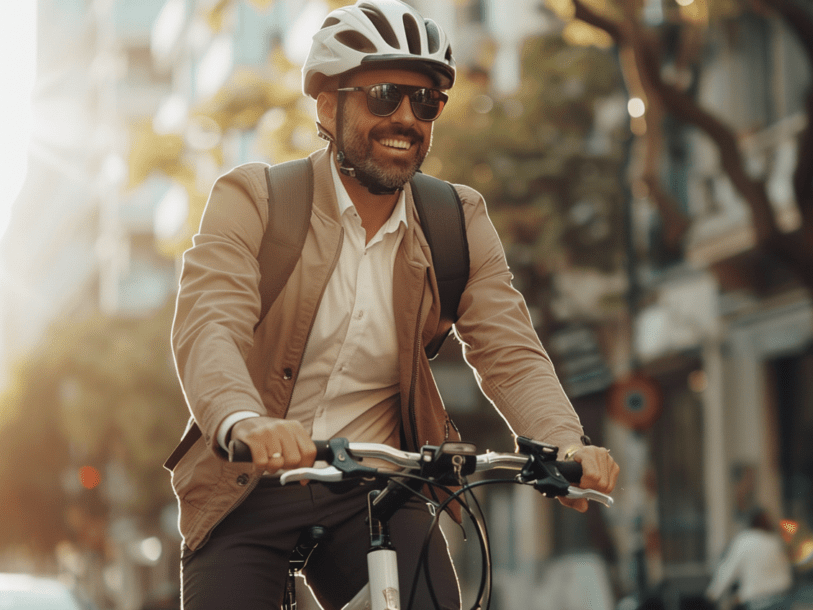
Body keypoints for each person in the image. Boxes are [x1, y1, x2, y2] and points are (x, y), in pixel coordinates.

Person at [165, 1, 620, 609]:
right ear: (329, 105)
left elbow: (509, 351)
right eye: (384, 95)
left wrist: (563, 445)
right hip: (250, 479)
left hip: (376, 486)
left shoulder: (456, 220)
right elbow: (209, 325)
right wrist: (242, 421)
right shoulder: (255, 200)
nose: (406, 117)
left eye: (426, 102)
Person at [705, 508, 794, 610]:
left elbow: (729, 570)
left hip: (758, 602)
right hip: (783, 598)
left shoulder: (744, 541)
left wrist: (713, 594)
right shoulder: (775, 541)